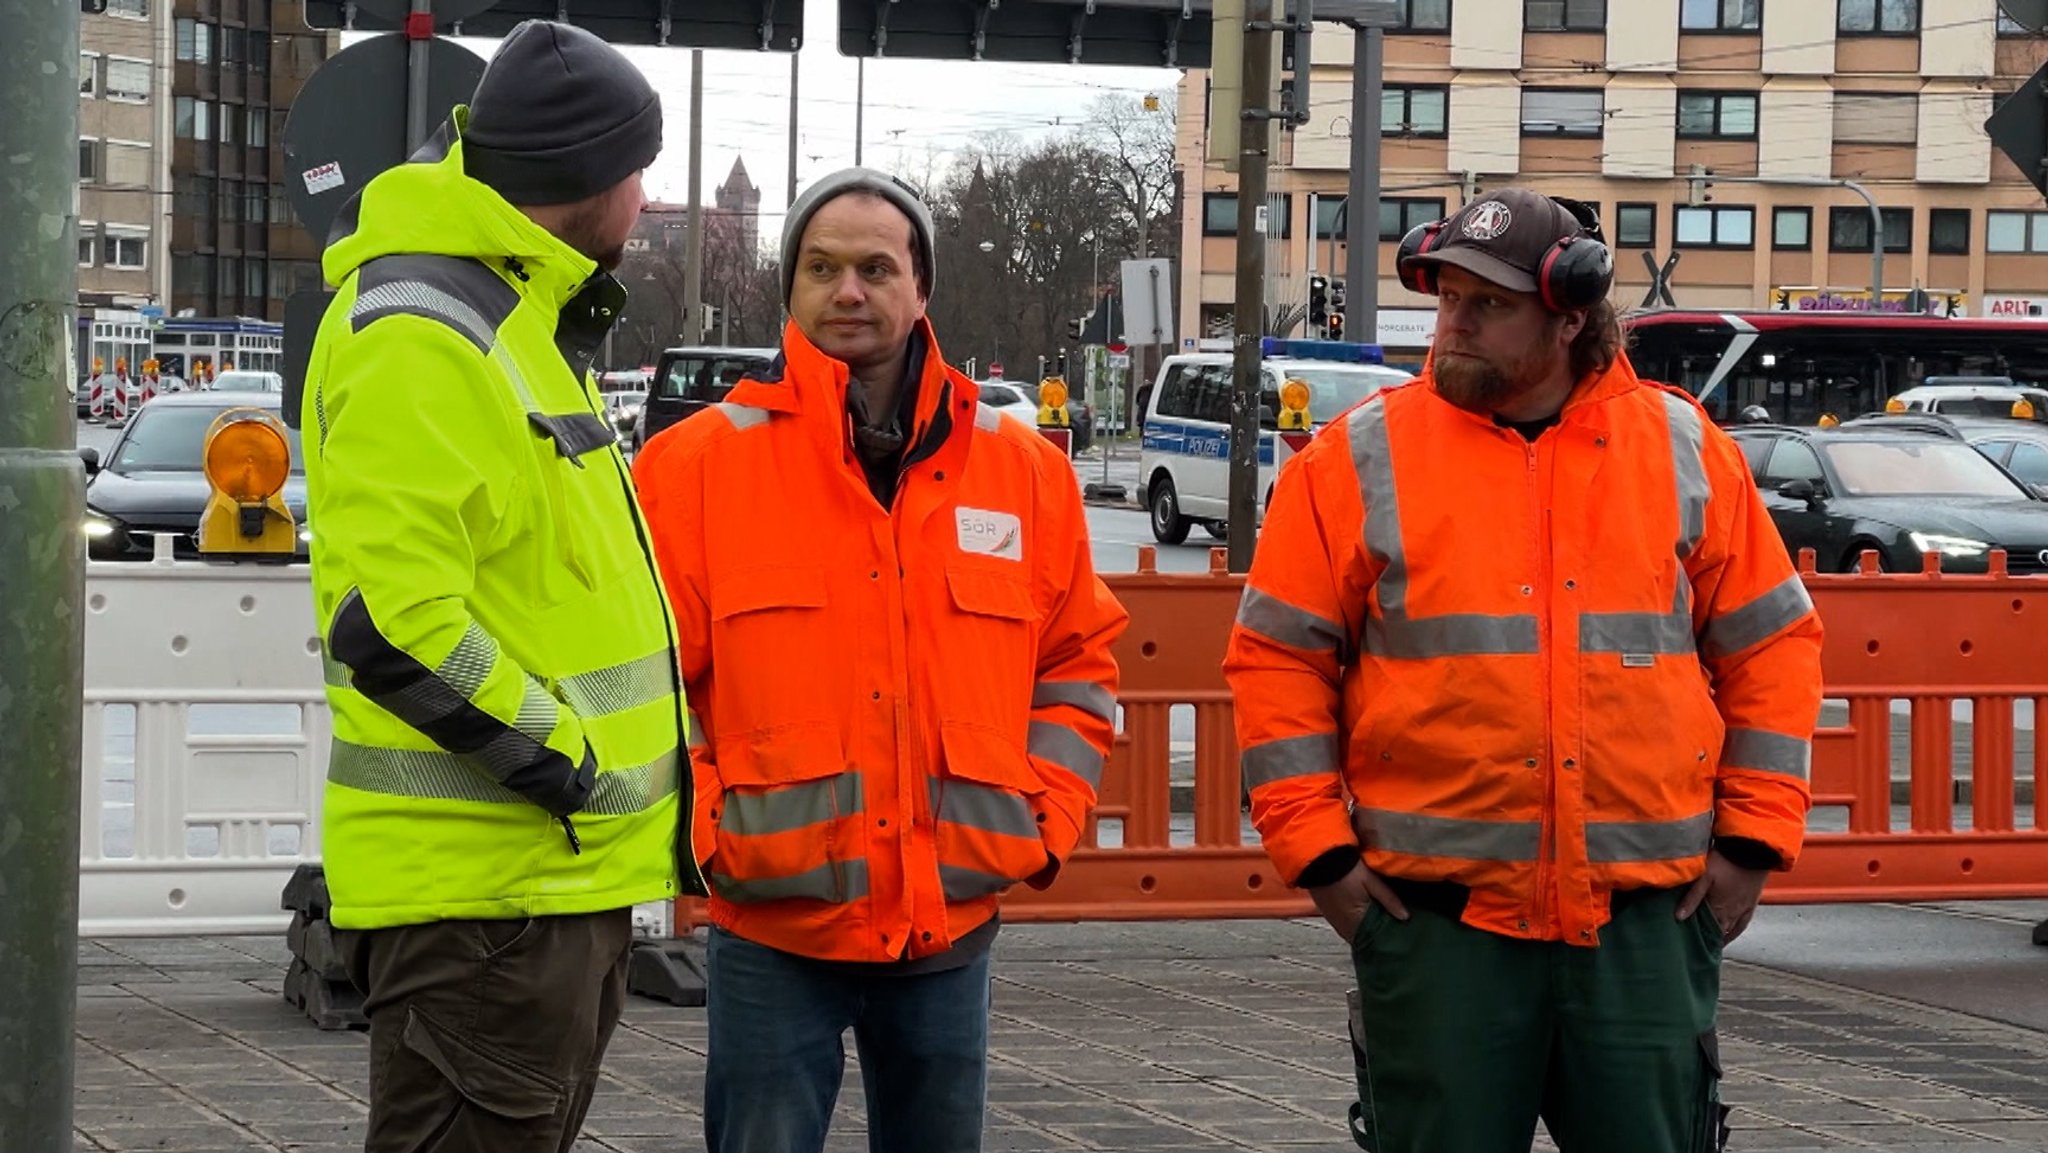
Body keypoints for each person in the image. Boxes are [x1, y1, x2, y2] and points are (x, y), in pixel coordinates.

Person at [1223, 188, 1824, 1153]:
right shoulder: (1357, 457)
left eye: (1486, 306)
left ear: (1570, 316)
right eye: (1445, 296)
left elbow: (1772, 646)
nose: (1449, 325)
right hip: (1439, 929)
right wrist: (1321, 858)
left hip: (1642, 929)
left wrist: (1752, 842)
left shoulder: (1681, 449)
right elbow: (1276, 659)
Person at [632, 168, 1129, 1153]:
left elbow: (1075, 662)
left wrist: (1044, 817)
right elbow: (646, 683)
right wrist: (707, 828)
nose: (846, 291)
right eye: (820, 268)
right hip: (772, 925)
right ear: (789, 288)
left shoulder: (1020, 470)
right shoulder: (693, 468)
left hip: (949, 922)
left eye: (873, 267)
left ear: (920, 287)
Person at [299, 20, 702, 1153]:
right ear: (596, 180)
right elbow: (395, 621)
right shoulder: (429, 332)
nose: (643, 188)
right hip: (491, 897)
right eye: (640, 164)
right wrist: (568, 765)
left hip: (533, 892)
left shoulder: (503, 317)